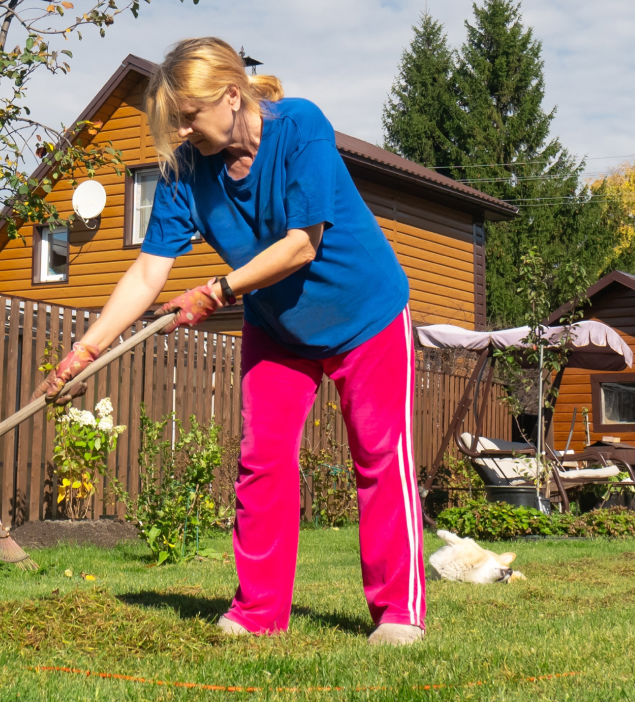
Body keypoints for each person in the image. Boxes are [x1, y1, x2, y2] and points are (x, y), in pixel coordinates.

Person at [40, 37, 425, 645]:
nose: (183, 134)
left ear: (229, 94)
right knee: (261, 461)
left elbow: (303, 243)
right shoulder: (186, 172)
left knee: (378, 455)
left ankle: (397, 612)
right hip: (278, 327)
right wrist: (83, 352)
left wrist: (217, 290)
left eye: (188, 119)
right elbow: (147, 272)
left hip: (366, 315)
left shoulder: (300, 125)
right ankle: (258, 611)